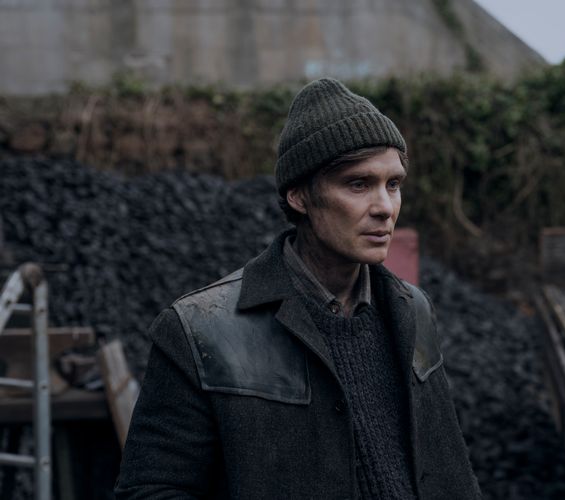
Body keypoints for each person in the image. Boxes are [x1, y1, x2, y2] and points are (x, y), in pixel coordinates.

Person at [115, 78, 481, 499]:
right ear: (299, 197)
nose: (384, 207)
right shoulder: (199, 330)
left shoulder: (412, 310)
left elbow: (451, 473)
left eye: (393, 184)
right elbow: (151, 491)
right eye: (358, 184)